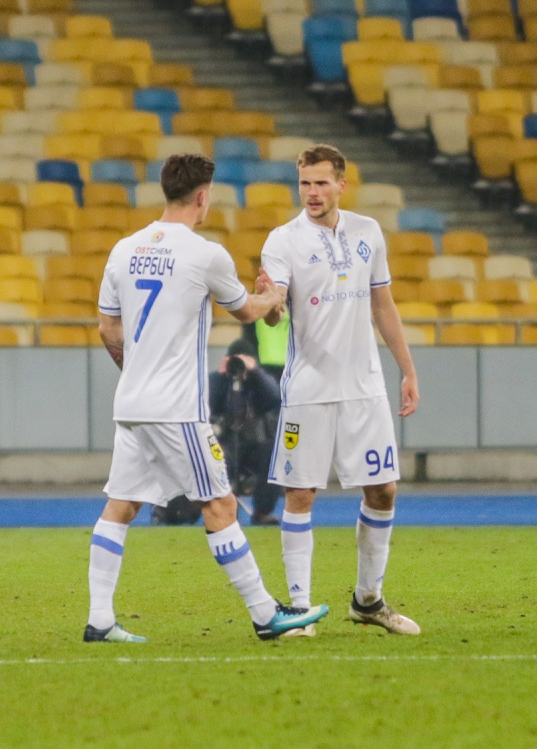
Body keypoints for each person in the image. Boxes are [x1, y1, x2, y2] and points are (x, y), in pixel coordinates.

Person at [86, 153, 330, 643]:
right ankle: (266, 615)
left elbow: (107, 327)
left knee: (122, 505)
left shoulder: (123, 249)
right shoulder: (205, 254)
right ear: (202, 196)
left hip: (130, 404)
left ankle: (100, 620)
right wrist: (274, 297)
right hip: (176, 410)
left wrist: (135, 371)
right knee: (220, 504)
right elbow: (247, 311)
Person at [260, 144, 421, 636]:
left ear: (341, 185)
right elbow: (275, 304)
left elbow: (383, 304)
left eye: (321, 182)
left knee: (384, 489)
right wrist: (270, 304)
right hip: (309, 387)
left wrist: (407, 370)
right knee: (300, 493)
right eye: (304, 183)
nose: (311, 192)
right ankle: (299, 610)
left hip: (365, 386)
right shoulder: (282, 241)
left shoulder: (368, 232)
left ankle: (368, 600)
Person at [209, 338, 283, 526]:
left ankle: (263, 512)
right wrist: (220, 376)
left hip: (253, 445)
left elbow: (275, 396)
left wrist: (255, 372)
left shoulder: (258, 382)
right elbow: (207, 403)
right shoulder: (220, 380)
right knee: (216, 455)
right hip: (223, 443)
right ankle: (222, 513)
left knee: (272, 453)